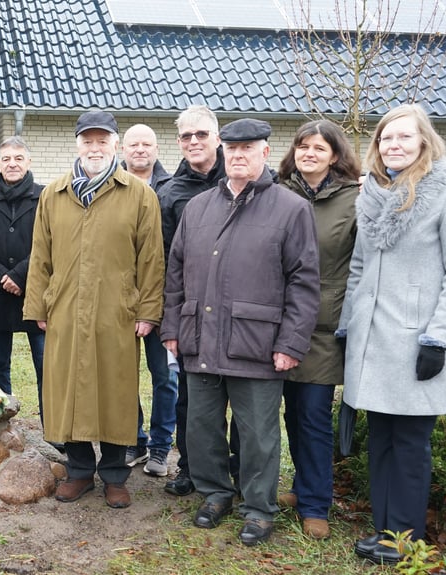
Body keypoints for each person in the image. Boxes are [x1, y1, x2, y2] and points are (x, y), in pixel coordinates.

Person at [161, 118, 320, 546]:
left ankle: (259, 508)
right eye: (232, 148)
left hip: (257, 343)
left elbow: (304, 283)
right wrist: (173, 327)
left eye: (247, 148)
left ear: (265, 153)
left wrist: (291, 343)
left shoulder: (290, 209)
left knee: (258, 435)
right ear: (223, 152)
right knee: (202, 427)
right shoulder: (198, 207)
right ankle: (215, 493)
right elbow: (175, 273)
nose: (238, 155)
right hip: (200, 338)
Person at [339, 104, 446, 564]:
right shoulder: (372, 195)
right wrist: (349, 323)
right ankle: (385, 531)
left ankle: (404, 539)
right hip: (373, 339)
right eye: (385, 138)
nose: (393, 145)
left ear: (424, 141)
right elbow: (359, 267)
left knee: (410, 444)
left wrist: (438, 338)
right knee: (380, 440)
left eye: (403, 137)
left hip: (417, 339)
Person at [24, 110, 165, 509]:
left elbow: (151, 258)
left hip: (116, 310)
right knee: (68, 388)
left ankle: (116, 475)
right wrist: (39, 305)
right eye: (88, 141)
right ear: (77, 145)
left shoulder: (139, 195)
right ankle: (80, 471)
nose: (95, 148)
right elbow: (40, 256)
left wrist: (148, 311)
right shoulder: (54, 194)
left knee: (116, 390)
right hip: (65, 308)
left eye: (103, 141)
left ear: (115, 145)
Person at [276, 120, 361, 539]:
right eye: (303, 146)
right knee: (290, 413)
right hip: (276, 320)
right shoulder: (277, 192)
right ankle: (301, 486)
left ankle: (315, 504)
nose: (309, 153)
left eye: (319, 148)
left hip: (323, 325)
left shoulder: (354, 199)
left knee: (312, 414)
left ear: (335, 156)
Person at [155, 105, 227, 497]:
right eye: (187, 136)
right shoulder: (169, 193)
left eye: (201, 134)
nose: (194, 141)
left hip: (237, 307)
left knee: (239, 396)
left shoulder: (243, 179)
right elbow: (168, 262)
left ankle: (235, 467)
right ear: (179, 142)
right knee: (190, 396)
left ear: (217, 137)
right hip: (192, 311)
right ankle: (189, 466)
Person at [0, 136, 45, 416]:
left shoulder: (45, 197)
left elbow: (48, 244)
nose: (12, 164)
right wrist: (2, 276)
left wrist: (19, 276)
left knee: (45, 364)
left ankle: (52, 427)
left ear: (29, 162)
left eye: (18, 158)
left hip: (35, 293)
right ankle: (0, 421)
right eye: (6, 159)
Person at [121, 123, 177, 477]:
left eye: (146, 144)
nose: (140, 150)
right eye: (133, 144)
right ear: (122, 150)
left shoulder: (171, 188)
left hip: (163, 299)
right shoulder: (109, 187)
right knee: (123, 375)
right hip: (120, 299)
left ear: (156, 149)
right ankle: (133, 439)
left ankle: (160, 446)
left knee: (164, 376)